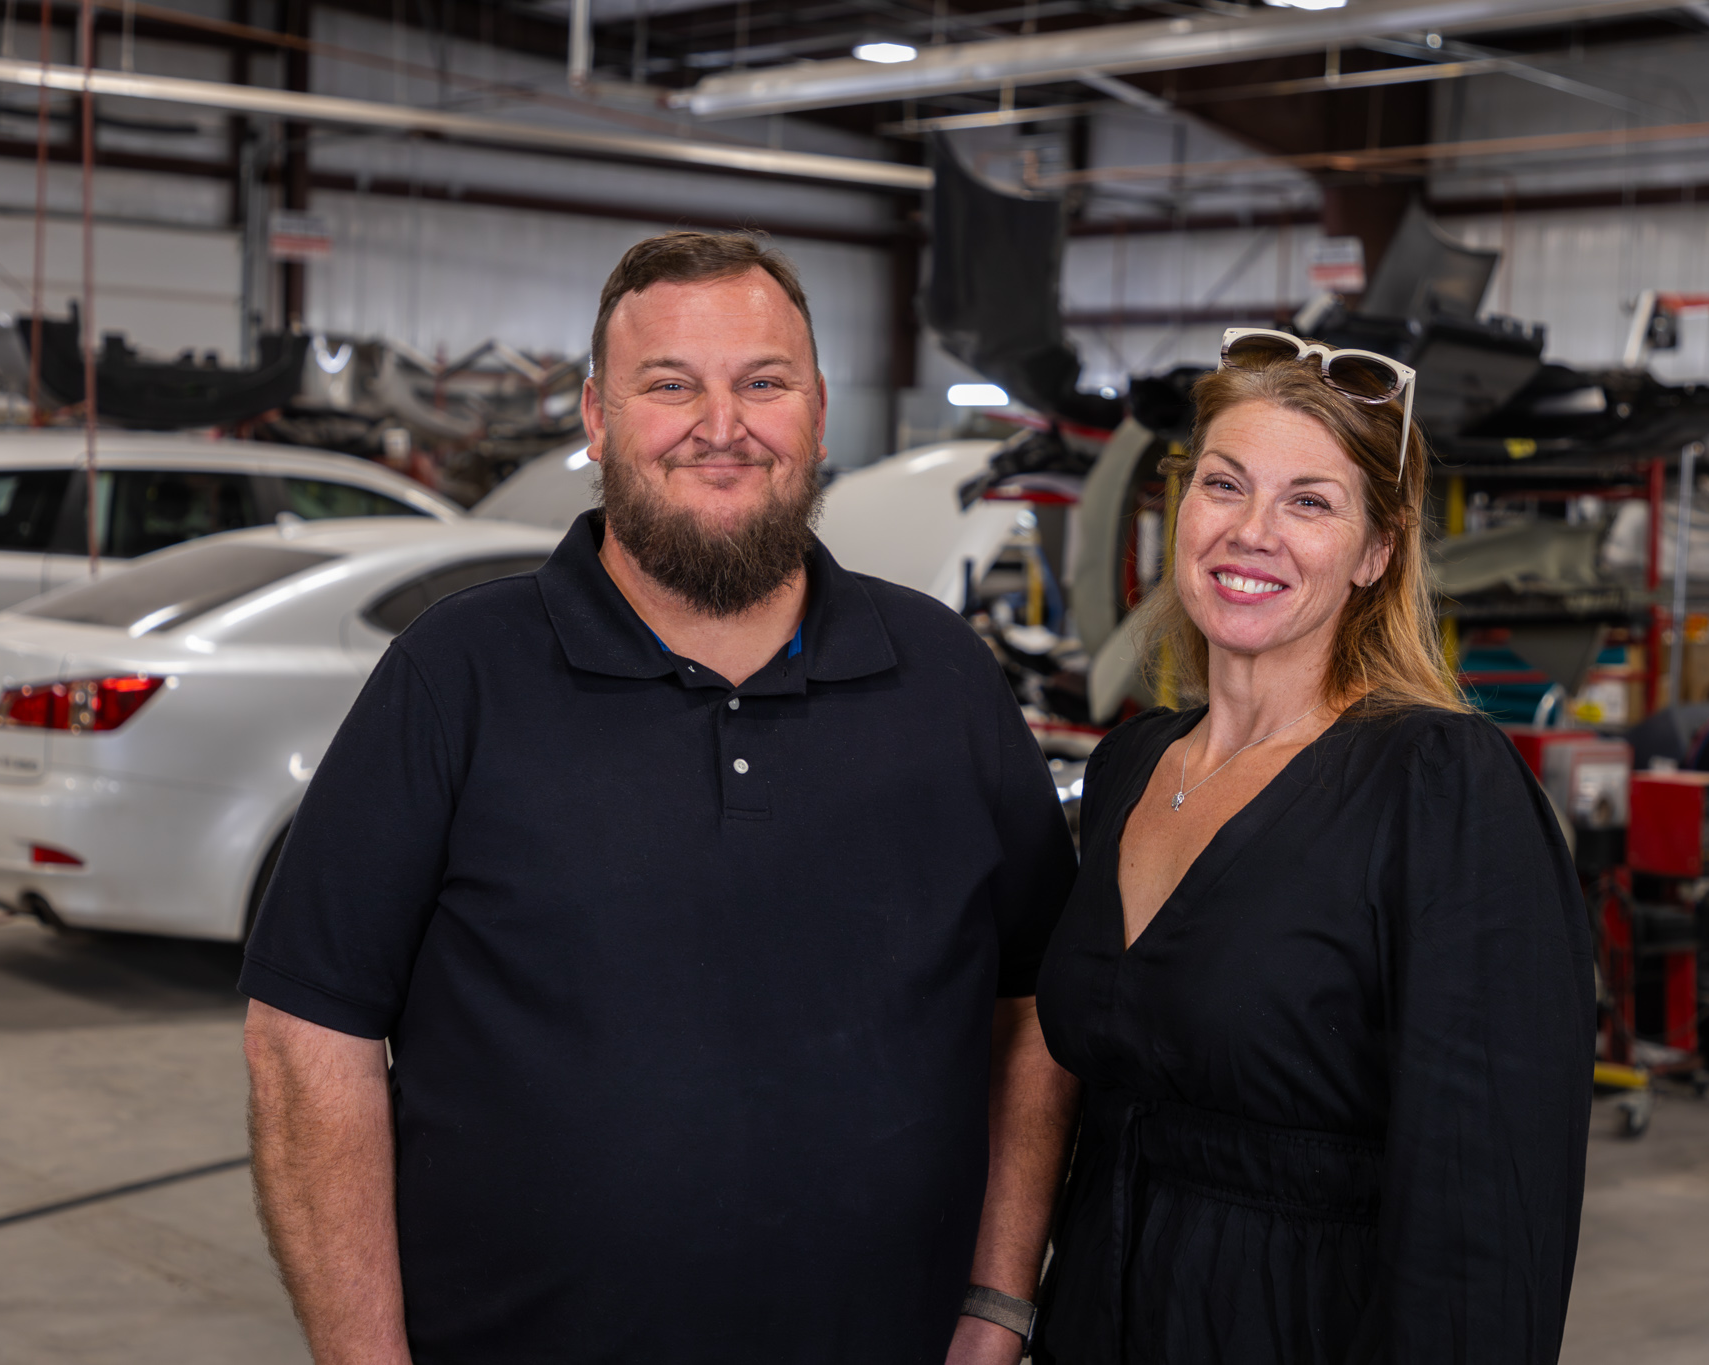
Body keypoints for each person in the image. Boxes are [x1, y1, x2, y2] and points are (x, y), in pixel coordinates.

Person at [238, 231, 1079, 1365]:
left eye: (763, 383)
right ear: (595, 417)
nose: (720, 426)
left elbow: (1034, 1013)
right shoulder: (458, 676)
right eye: (668, 384)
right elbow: (306, 1040)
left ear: (819, 412)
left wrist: (997, 1300)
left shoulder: (940, 675)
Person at [1031, 330, 1594, 1363]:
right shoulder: (1129, 766)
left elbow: (1485, 1207)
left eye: (1308, 502)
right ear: (1178, 507)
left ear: (1375, 554)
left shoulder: (1436, 784)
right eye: (1223, 485)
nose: (1251, 533)